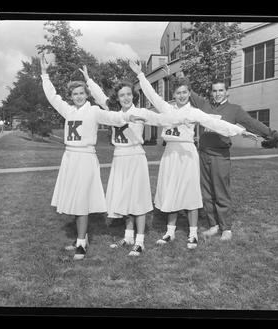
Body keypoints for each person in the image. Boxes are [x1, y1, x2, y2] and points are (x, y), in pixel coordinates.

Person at [129, 60, 258, 249]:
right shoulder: (167, 109)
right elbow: (152, 95)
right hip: (170, 153)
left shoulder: (195, 112)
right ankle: (170, 231)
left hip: (187, 153)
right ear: (173, 95)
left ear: (189, 94)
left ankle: (193, 233)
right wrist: (140, 75)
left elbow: (215, 123)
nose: (181, 96)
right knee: (170, 190)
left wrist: (239, 131)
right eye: (178, 93)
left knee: (190, 193)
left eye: (184, 92)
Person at [79, 66, 195, 256]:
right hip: (119, 159)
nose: (126, 98)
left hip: (136, 158)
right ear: (117, 98)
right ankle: (128, 236)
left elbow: (161, 119)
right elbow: (100, 97)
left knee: (138, 200)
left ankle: (140, 242)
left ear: (133, 95)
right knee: (125, 198)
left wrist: (181, 119)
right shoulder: (113, 112)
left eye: (128, 94)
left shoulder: (141, 112)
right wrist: (89, 80)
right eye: (122, 95)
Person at [39, 54, 146, 260]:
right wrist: (44, 74)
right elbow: (52, 97)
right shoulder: (68, 111)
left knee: (81, 201)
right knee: (72, 200)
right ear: (70, 96)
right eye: (75, 93)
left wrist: (127, 115)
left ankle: (81, 244)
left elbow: (112, 115)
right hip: (69, 158)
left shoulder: (94, 111)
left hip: (86, 158)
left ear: (87, 95)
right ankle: (83, 238)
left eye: (81, 93)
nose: (78, 96)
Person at [189, 78, 278, 241]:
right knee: (207, 192)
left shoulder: (235, 109)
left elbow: (252, 124)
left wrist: (275, 135)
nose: (217, 94)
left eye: (221, 90)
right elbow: (188, 90)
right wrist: (178, 77)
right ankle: (213, 225)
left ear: (227, 92)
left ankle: (226, 228)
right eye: (215, 91)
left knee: (221, 191)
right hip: (203, 154)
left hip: (220, 155)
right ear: (211, 92)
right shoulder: (204, 105)